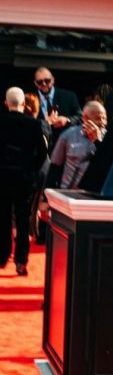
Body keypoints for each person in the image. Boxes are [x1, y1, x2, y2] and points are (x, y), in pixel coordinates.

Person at [0, 87, 47, 275]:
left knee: (2, 217)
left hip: (2, 177)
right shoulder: (34, 124)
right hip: (24, 178)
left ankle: (2, 256)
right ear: (23, 103)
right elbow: (42, 153)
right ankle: (21, 260)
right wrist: (32, 170)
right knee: (23, 219)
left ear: (6, 103)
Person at [47, 101, 106, 189]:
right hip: (68, 192)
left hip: (95, 193)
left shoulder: (109, 138)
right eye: (98, 118)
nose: (103, 122)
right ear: (85, 118)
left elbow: (108, 163)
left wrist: (98, 141)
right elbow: (54, 167)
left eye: (105, 118)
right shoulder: (68, 135)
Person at [32, 66, 81, 146]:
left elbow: (80, 117)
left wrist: (67, 120)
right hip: (39, 145)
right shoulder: (30, 99)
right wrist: (44, 123)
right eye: (40, 82)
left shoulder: (68, 96)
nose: (44, 84)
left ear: (53, 80)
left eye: (47, 81)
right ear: (35, 83)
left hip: (65, 145)